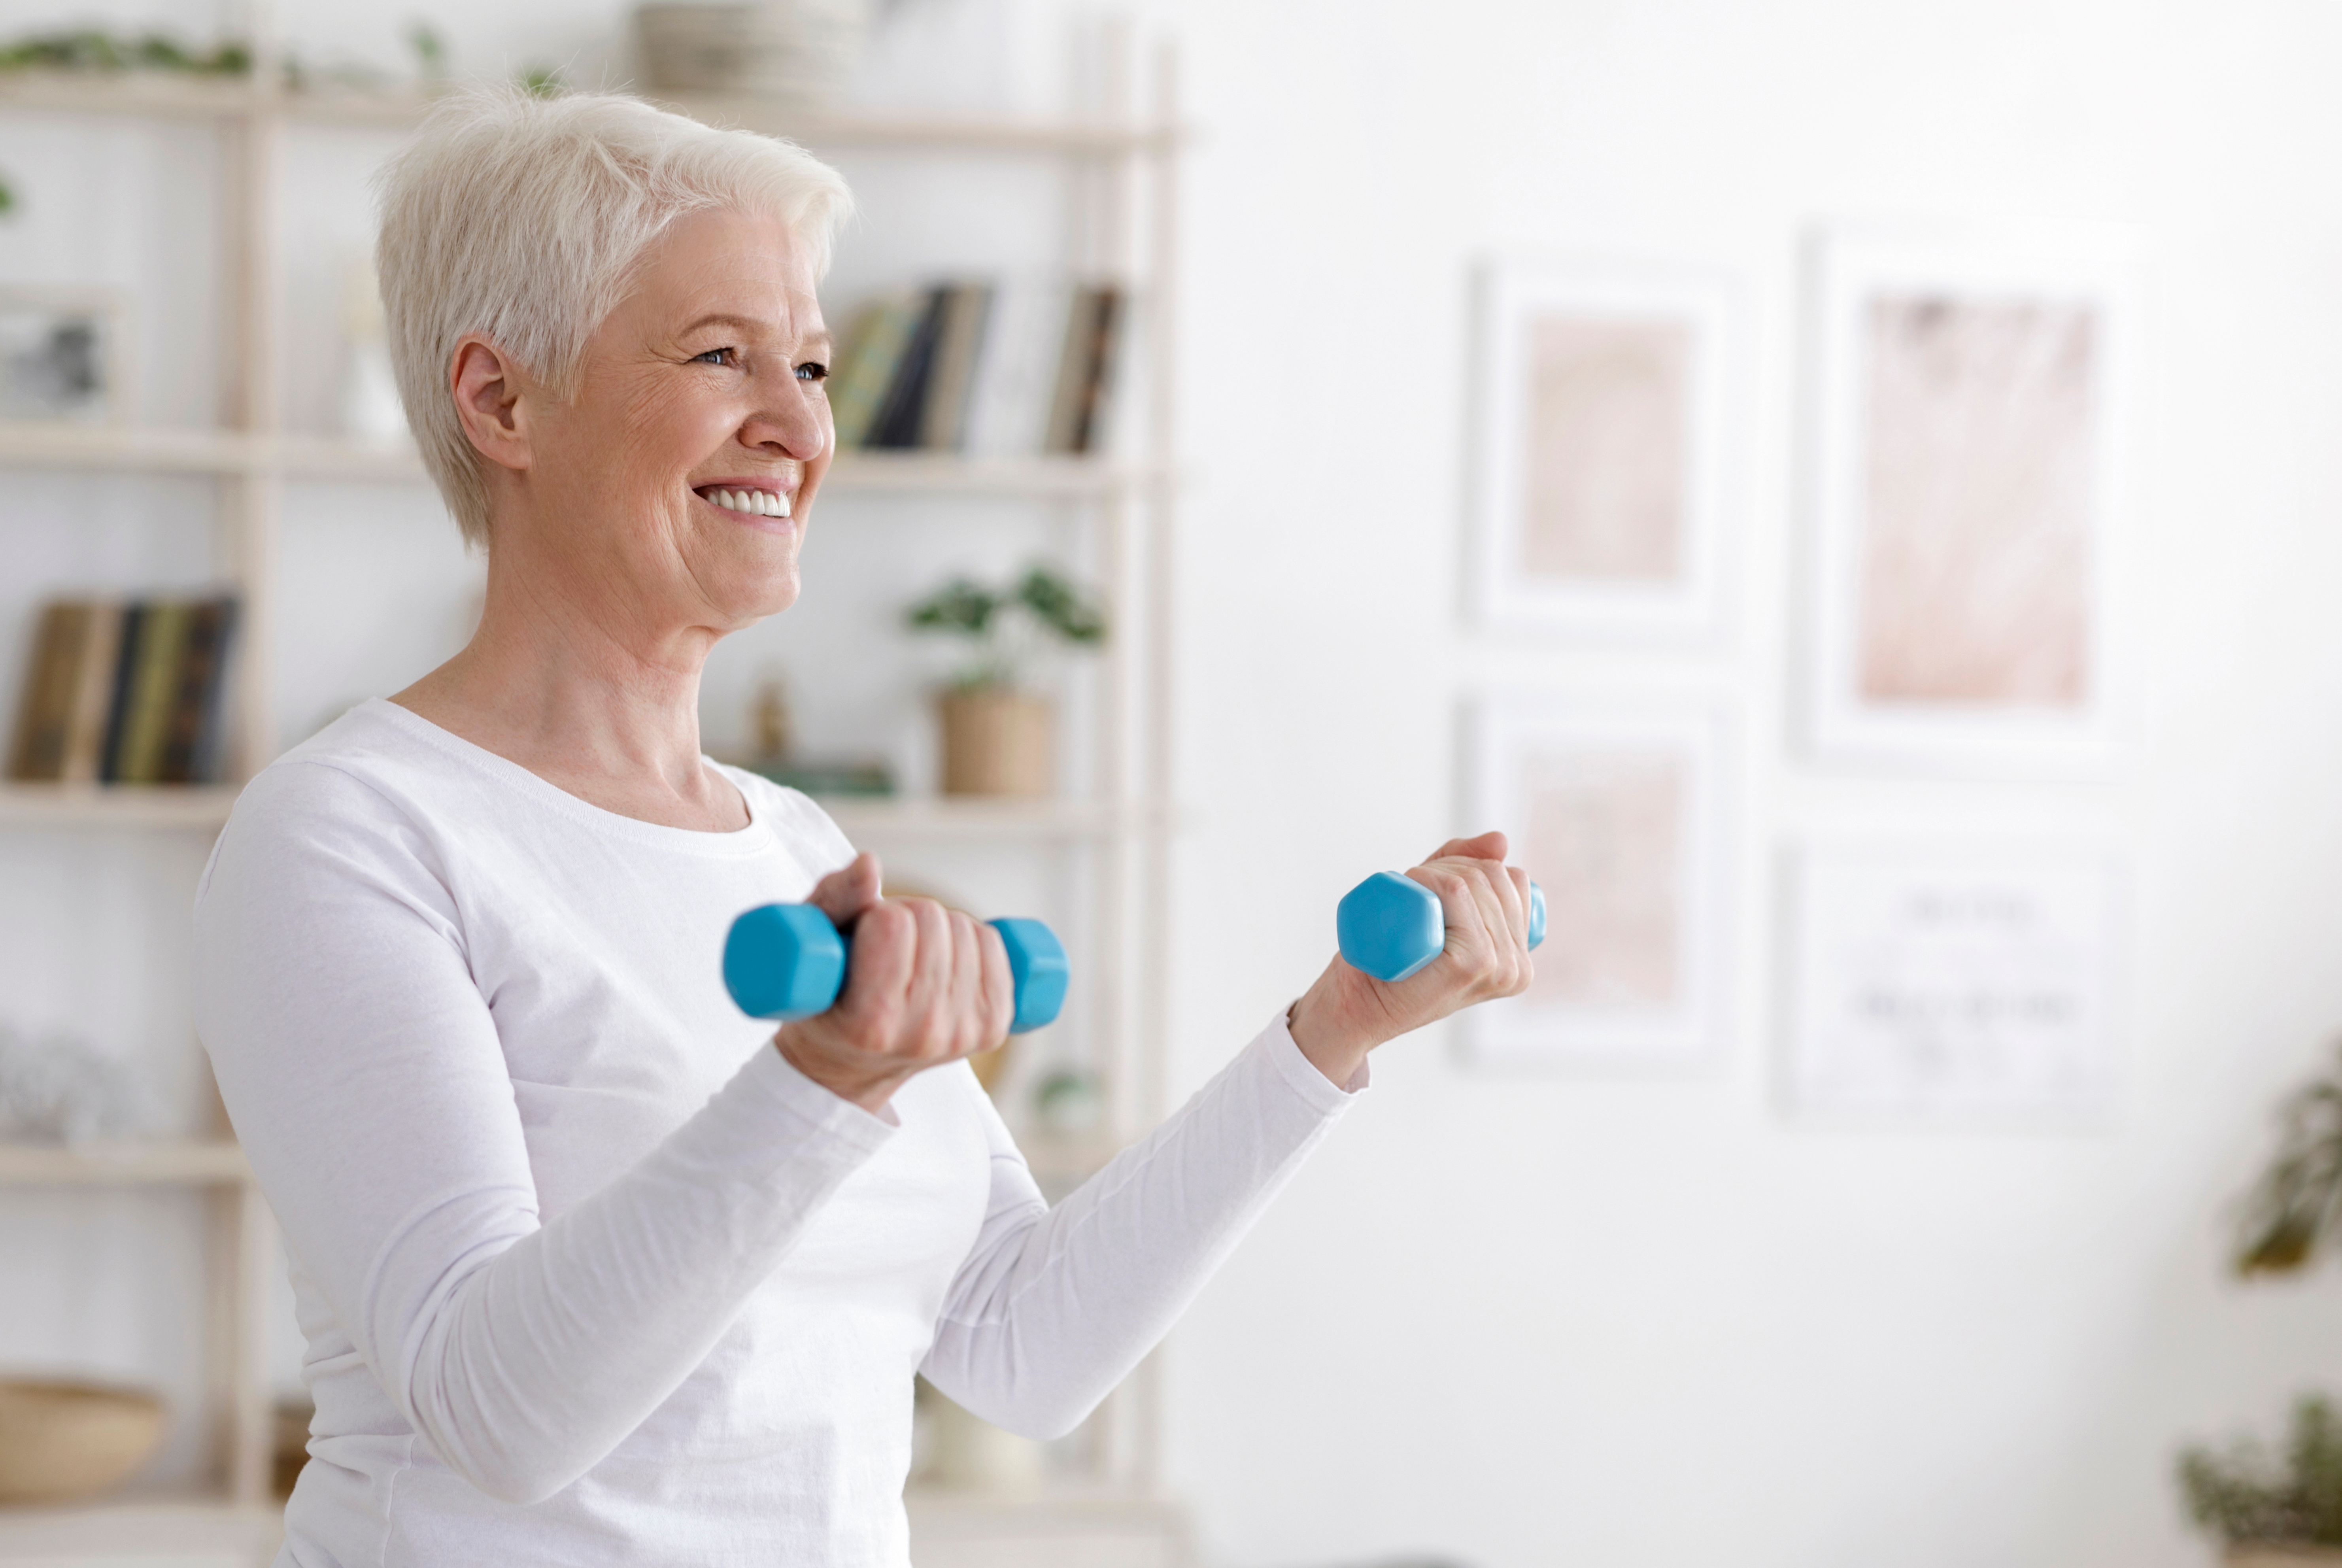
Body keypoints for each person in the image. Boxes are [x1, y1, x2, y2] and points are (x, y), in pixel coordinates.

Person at [191, 86, 1535, 1568]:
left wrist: (1332, 1030)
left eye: (813, 365)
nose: (802, 424)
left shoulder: (791, 846)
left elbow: (1025, 1344)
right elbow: (497, 1413)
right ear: (500, 400)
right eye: (721, 356)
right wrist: (825, 1082)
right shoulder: (351, 834)